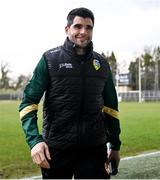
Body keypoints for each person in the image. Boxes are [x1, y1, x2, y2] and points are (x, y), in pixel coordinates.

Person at [19, 7, 121, 179]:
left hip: (94, 149)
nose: (83, 32)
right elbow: (28, 102)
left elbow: (111, 107)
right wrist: (34, 141)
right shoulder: (50, 59)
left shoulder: (102, 63)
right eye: (78, 26)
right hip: (57, 150)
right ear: (67, 29)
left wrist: (115, 146)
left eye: (89, 28)